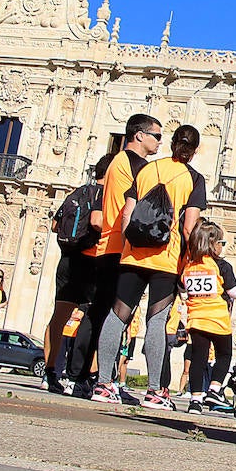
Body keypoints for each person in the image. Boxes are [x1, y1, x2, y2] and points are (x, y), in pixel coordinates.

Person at [92, 124, 206, 405]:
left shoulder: (146, 170)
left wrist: (132, 244)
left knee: (117, 315)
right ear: (195, 149)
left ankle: (103, 384)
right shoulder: (193, 178)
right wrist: (190, 260)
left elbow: (127, 214)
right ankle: (155, 391)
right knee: (156, 321)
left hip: (133, 254)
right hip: (166, 258)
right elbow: (190, 227)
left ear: (170, 144)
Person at [69, 114, 161, 398]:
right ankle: (84, 377)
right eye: (156, 135)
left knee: (100, 313)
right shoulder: (135, 165)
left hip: (109, 245)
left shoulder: (117, 162)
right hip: (120, 247)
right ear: (139, 135)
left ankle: (85, 375)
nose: (159, 141)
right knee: (107, 315)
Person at [44, 153, 111, 395]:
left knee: (58, 317)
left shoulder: (78, 192)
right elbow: (96, 222)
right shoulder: (105, 195)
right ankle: (87, 375)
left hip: (67, 260)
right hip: (92, 260)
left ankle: (50, 372)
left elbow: (54, 226)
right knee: (94, 320)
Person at [179, 220, 236, 414]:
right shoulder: (222, 266)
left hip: (196, 319)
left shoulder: (189, 267)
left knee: (198, 359)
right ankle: (214, 389)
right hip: (217, 319)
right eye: (222, 243)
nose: (222, 247)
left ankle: (195, 401)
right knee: (224, 354)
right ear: (213, 244)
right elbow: (234, 291)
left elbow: (183, 287)